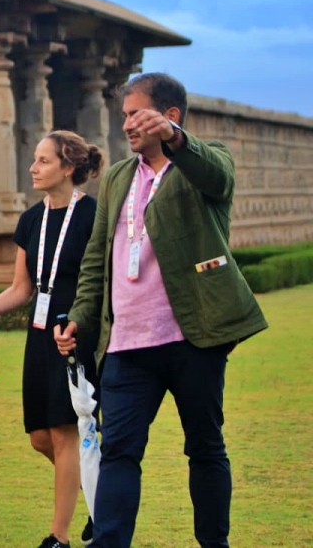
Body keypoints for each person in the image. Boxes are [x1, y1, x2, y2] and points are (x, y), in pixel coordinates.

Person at [55, 73, 268, 548]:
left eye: (137, 113)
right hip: (128, 345)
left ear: (169, 116)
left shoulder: (202, 165)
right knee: (119, 454)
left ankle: (215, 544)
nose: (127, 123)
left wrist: (175, 141)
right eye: (125, 113)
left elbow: (220, 174)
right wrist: (78, 318)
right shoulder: (117, 177)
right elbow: (97, 257)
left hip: (193, 339)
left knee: (205, 448)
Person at [0, 130, 104, 548]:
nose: (33, 168)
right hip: (39, 336)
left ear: (68, 168)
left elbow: (104, 283)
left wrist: (83, 325)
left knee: (64, 431)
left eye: (43, 161)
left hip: (75, 334)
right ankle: (101, 494)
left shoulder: (93, 214)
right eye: (34, 159)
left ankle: (59, 537)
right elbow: (23, 289)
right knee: (40, 436)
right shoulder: (31, 219)